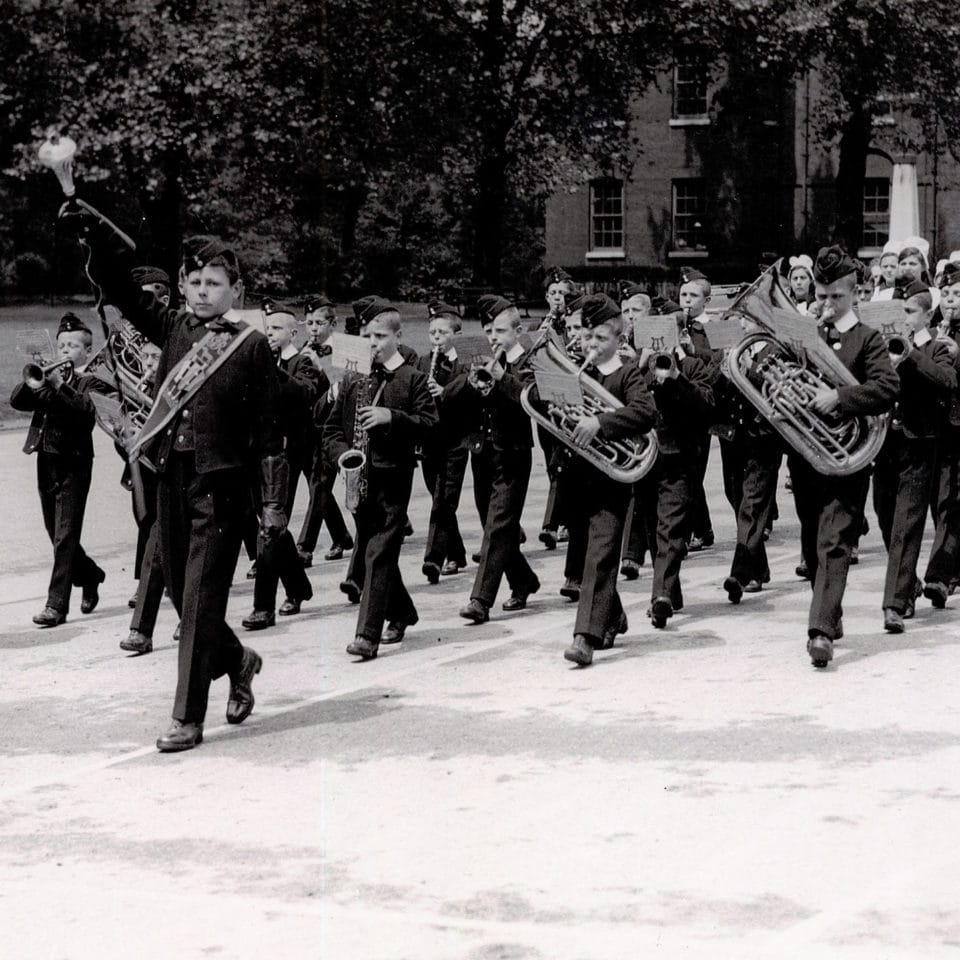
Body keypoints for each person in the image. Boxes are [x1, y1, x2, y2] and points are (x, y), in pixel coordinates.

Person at [67, 217, 288, 752]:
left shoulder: (251, 347)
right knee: (176, 591)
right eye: (195, 282)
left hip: (221, 488)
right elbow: (121, 291)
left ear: (235, 290)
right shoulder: (171, 327)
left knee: (200, 600)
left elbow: (269, 435)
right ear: (184, 286)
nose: (203, 291)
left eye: (215, 283)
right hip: (171, 478)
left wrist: (273, 505)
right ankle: (237, 661)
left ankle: (187, 717)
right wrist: (95, 236)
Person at [532, 294, 655, 665]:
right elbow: (540, 401)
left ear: (619, 339)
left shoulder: (627, 373)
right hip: (574, 478)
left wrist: (600, 422)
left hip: (610, 482)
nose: (592, 345)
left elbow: (645, 412)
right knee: (589, 554)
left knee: (600, 556)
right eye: (587, 337)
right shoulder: (574, 371)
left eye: (601, 338)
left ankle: (584, 637)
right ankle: (611, 615)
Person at [790, 245, 898, 668]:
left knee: (834, 542)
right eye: (822, 295)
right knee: (813, 544)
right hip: (806, 457)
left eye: (836, 296)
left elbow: (887, 387)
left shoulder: (867, 339)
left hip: (848, 458)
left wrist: (840, 397)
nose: (828, 303)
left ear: (854, 294)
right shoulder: (806, 335)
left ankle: (819, 632)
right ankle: (829, 616)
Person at [323, 297, 438, 659]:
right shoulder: (354, 378)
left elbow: (431, 427)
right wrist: (342, 455)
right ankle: (402, 612)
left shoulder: (413, 379)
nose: (372, 343)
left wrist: (393, 418)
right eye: (367, 336)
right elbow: (330, 430)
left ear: (398, 337)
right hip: (359, 478)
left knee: (376, 553)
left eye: (380, 337)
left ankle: (367, 635)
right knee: (379, 553)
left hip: (394, 479)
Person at [11, 313, 106, 627]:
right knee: (55, 533)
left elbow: (87, 412)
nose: (65, 351)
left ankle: (56, 605)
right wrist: (36, 378)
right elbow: (17, 401)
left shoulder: (91, 379)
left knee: (65, 536)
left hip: (74, 464)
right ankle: (90, 575)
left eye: (72, 346)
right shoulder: (48, 378)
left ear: (87, 350)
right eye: (62, 345)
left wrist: (60, 385)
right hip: (46, 460)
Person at [871, 280, 956, 632]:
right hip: (885, 444)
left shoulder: (937, 347)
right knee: (884, 515)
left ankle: (895, 603)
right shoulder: (880, 347)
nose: (903, 318)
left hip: (919, 444)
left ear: (926, 315)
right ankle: (908, 582)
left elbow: (947, 380)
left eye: (908, 312)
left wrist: (909, 353)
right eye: (899, 312)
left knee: (906, 525)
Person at [451, 296, 541, 624]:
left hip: (513, 454)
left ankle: (480, 600)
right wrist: (468, 380)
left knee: (499, 525)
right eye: (489, 331)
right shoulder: (477, 357)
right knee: (493, 524)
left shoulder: (528, 360)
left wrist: (502, 376)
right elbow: (449, 399)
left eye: (500, 331)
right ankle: (524, 580)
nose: (493, 338)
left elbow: (535, 400)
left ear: (517, 331)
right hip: (481, 451)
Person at [241, 300, 319, 629]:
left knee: (270, 528)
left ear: (293, 332)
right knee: (272, 524)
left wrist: (268, 369)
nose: (270, 334)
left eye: (276, 328)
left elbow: (305, 393)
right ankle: (298, 587)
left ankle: (263, 607)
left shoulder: (303, 361)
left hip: (283, 454)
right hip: (253, 452)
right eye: (267, 328)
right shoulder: (256, 361)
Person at [634, 317, 715, 628]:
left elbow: (706, 407)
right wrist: (642, 368)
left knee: (671, 529)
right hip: (646, 459)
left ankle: (661, 596)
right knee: (653, 528)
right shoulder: (636, 371)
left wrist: (676, 377)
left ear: (680, 335)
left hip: (681, 459)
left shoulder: (693, 367)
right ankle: (671, 591)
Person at [295, 295, 354, 565]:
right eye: (309, 323)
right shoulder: (304, 349)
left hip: (338, 429)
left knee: (321, 484)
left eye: (319, 323)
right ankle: (341, 536)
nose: (314, 329)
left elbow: (346, 389)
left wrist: (320, 368)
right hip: (311, 428)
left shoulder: (346, 349)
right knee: (318, 486)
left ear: (333, 324)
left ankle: (304, 547)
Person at [418, 301, 470, 582]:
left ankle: (434, 559)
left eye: (442, 333)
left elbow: (471, 392)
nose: (436, 338)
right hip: (430, 442)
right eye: (432, 333)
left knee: (444, 500)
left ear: (456, 335)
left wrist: (444, 391)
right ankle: (456, 553)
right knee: (438, 498)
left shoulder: (466, 362)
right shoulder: (423, 362)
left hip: (457, 441)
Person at [924, 262, 960, 606]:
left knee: (952, 498)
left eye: (958, 294)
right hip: (940, 426)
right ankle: (949, 567)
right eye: (946, 293)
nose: (950, 300)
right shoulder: (933, 331)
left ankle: (940, 574)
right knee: (943, 497)